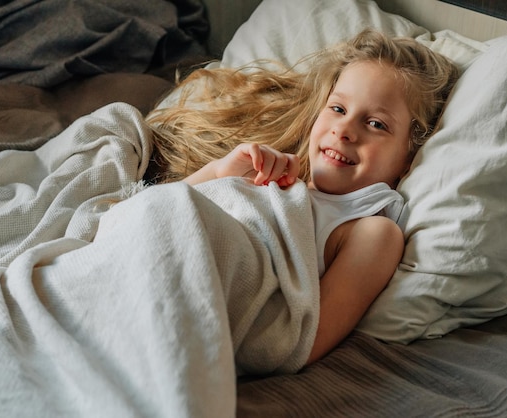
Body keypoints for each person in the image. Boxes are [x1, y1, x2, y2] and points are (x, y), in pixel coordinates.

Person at [146, 29, 459, 364]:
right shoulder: (278, 177)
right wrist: (221, 172)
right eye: (338, 108)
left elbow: (303, 340)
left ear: (408, 157)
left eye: (375, 124)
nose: (344, 130)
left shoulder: (370, 231)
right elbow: (152, 208)